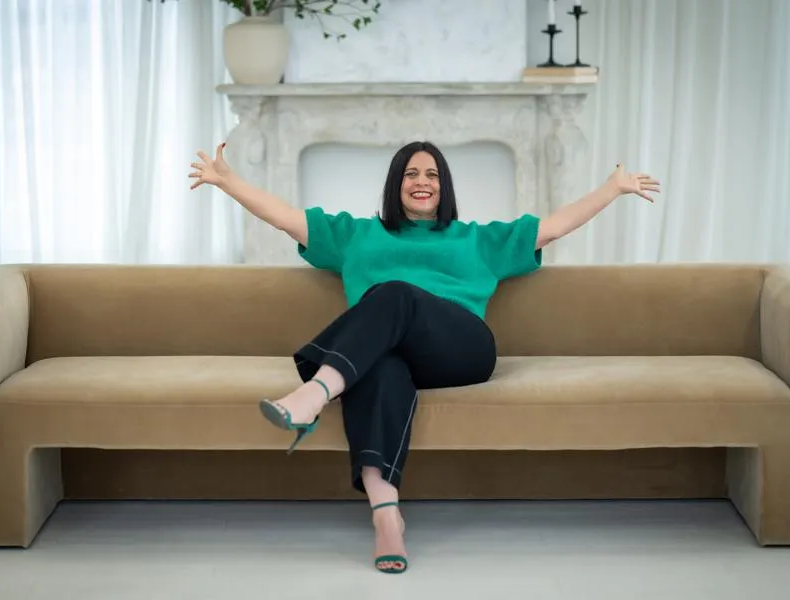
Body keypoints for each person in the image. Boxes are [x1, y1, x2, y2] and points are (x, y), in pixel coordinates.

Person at [189, 140, 659, 574]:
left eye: (432, 175)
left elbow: (554, 227)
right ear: (395, 185)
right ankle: (386, 516)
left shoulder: (476, 239)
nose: (422, 182)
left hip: (461, 350)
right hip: (386, 352)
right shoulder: (357, 235)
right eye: (410, 173)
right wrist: (228, 182)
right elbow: (285, 218)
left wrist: (612, 189)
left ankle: (315, 392)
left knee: (393, 292)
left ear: (444, 186)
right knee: (379, 368)